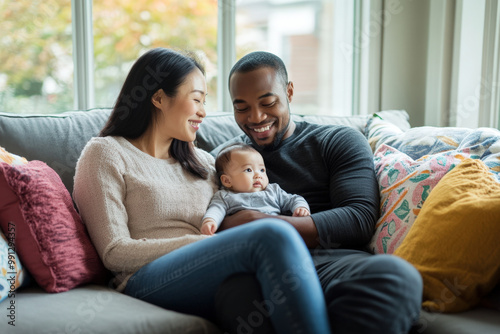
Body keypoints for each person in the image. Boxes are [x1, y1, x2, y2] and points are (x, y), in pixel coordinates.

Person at [72, 47, 332, 334]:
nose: (203, 112)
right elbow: (114, 253)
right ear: (158, 97)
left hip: (209, 270)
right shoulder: (106, 153)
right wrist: (203, 243)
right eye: (196, 99)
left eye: (204, 101)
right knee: (273, 233)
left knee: (244, 295)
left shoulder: (206, 163)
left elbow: (235, 209)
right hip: (143, 278)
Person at [212, 51, 423, 334]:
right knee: (234, 292)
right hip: (260, 270)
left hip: (333, 263)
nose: (256, 117)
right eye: (242, 108)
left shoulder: (337, 140)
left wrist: (264, 226)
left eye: (267, 102)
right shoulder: (224, 159)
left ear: (289, 92)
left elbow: (357, 218)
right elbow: (203, 215)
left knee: (396, 276)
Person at [201, 143, 310, 235]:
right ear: (227, 181)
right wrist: (210, 221)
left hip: (274, 232)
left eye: (262, 170)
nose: (258, 175)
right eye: (248, 170)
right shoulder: (225, 196)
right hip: (243, 237)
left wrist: (300, 207)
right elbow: (216, 210)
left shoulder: (273, 190)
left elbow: (293, 199)